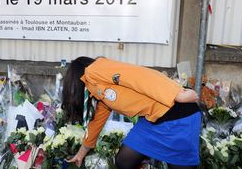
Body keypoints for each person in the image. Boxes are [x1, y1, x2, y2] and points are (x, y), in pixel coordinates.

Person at [63, 57, 201, 169]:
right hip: (151, 120)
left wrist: (176, 95)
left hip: (177, 115)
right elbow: (97, 122)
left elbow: (139, 75)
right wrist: (81, 153)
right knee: (123, 162)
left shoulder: (94, 71)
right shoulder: (96, 89)